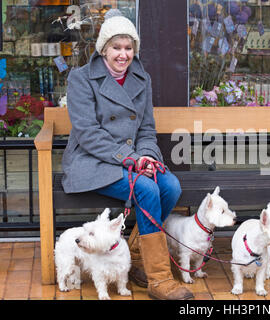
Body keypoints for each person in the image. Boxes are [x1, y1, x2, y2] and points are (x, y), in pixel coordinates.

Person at [61, 9, 193, 300]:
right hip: (91, 161)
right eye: (116, 48)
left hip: (131, 159)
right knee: (146, 188)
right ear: (104, 49)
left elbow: (146, 129)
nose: (123, 55)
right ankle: (159, 280)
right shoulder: (81, 79)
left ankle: (137, 258)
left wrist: (147, 156)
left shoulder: (140, 79)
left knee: (170, 185)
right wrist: (132, 160)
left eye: (128, 48)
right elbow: (88, 133)